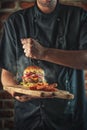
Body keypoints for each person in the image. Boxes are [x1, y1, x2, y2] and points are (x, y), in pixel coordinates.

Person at [0, 0, 87, 130]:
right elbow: (7, 73)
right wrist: (15, 91)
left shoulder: (79, 16)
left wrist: (44, 53)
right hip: (28, 116)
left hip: (70, 115)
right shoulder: (16, 21)